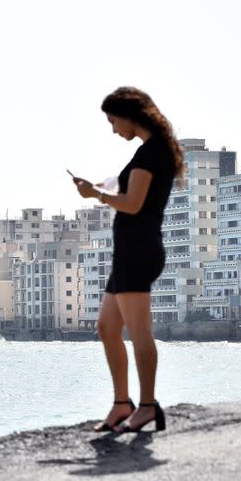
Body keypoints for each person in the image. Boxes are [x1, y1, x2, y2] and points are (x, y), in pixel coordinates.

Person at [72, 86, 184, 433]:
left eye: (114, 121)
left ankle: (148, 406)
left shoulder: (152, 153)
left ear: (131, 115)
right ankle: (123, 403)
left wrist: (97, 195)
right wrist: (104, 187)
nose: (113, 129)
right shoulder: (148, 153)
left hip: (140, 251)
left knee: (139, 332)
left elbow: (133, 204)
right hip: (128, 254)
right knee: (106, 327)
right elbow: (130, 191)